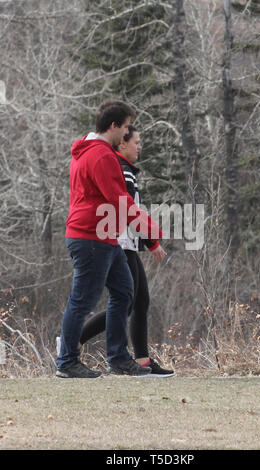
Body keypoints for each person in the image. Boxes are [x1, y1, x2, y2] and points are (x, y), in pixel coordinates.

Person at [56, 100, 164, 378]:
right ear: (114, 126)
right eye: (126, 127)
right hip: (90, 236)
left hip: (103, 236)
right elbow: (119, 199)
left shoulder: (86, 150)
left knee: (125, 291)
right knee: (82, 300)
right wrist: (151, 233)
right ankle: (66, 362)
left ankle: (118, 357)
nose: (126, 133)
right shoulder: (101, 155)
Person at [79, 126, 174, 377]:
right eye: (137, 142)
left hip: (127, 243)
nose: (139, 147)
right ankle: (73, 340)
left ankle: (142, 360)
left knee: (138, 301)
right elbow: (127, 209)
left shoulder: (125, 169)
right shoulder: (123, 170)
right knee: (127, 301)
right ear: (123, 144)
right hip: (120, 243)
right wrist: (152, 242)